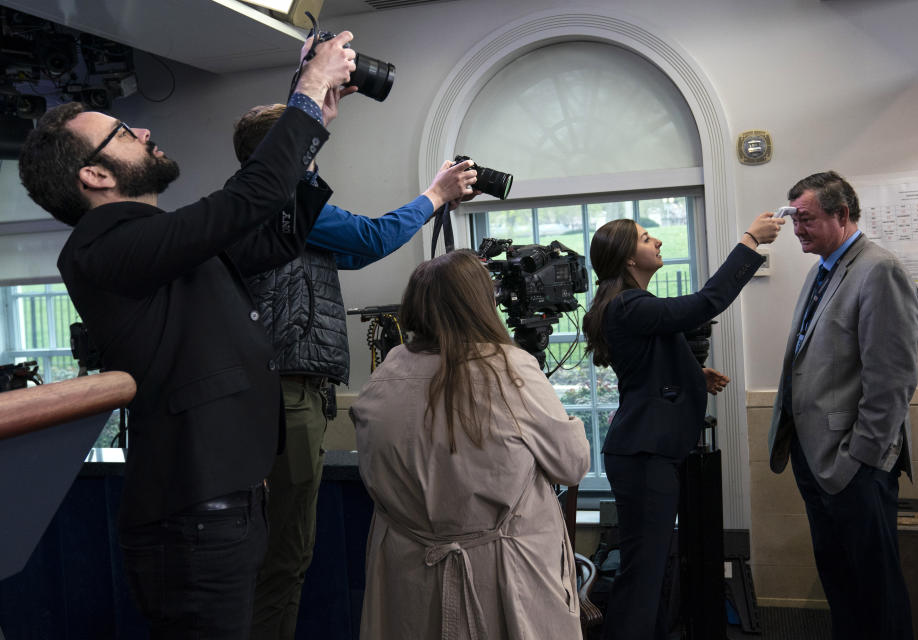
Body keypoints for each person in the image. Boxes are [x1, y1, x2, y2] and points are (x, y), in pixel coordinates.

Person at [16, 32, 357, 639]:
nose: (143, 132)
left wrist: (309, 141)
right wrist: (304, 95)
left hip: (224, 505)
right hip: (192, 521)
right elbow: (245, 200)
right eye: (124, 132)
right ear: (95, 174)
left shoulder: (154, 242)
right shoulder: (102, 247)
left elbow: (271, 237)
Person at [231, 101, 478, 639]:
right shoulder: (278, 199)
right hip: (287, 393)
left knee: (284, 555)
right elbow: (371, 238)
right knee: (284, 556)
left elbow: (355, 251)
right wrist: (436, 194)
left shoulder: (273, 209)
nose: (318, 160)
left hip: (291, 392)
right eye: (309, 146)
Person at [349, 249, 590, 640]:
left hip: (408, 573)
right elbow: (572, 464)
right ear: (482, 303)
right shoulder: (508, 368)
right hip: (500, 577)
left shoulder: (386, 374)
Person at [582, 213, 783, 639]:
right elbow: (706, 303)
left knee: (648, 570)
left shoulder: (629, 305)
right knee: (644, 574)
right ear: (627, 259)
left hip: (646, 454)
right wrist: (749, 242)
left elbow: (647, 368)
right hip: (643, 457)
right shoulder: (629, 305)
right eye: (644, 238)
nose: (655, 241)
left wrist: (696, 376)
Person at [768, 171, 918, 640]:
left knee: (875, 591)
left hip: (854, 463)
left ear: (842, 214)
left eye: (808, 219)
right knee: (843, 586)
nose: (798, 230)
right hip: (814, 456)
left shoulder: (879, 269)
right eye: (794, 220)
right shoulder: (824, 270)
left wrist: (863, 456)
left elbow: (891, 378)